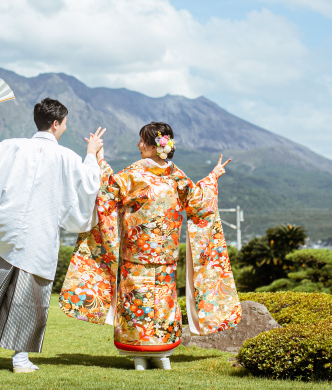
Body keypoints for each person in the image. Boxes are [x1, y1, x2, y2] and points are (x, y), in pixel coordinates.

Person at [0, 98, 106, 374]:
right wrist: (91, 153)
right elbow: (88, 182)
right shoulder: (67, 157)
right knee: (30, 295)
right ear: (55, 124)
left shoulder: (12, 146)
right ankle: (20, 359)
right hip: (39, 233)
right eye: (64, 124)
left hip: (7, 222)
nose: (64, 128)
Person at [60, 121, 241, 370]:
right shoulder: (143, 175)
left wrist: (213, 177)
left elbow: (198, 201)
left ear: (156, 146)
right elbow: (109, 191)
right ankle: (142, 355)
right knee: (142, 302)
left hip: (157, 257)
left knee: (155, 304)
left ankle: (160, 353)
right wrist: (100, 160)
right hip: (138, 257)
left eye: (142, 141)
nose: (138, 145)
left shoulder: (167, 176)